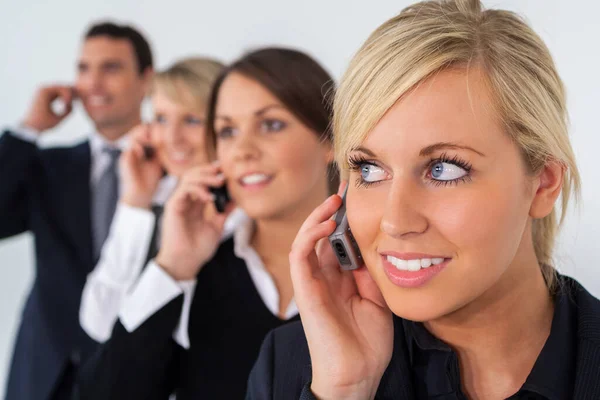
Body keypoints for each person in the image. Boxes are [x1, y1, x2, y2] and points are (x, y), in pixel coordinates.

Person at [247, 1, 600, 399]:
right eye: (369, 169)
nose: (395, 221)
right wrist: (345, 389)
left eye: (444, 169)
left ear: (543, 185)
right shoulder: (295, 367)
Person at [75, 47, 337, 399]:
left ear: (331, 139)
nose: (243, 149)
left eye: (271, 124)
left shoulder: (378, 266)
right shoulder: (192, 273)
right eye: (227, 132)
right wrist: (173, 265)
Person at [0, 22, 153, 400]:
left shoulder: (172, 165)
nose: (93, 83)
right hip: (47, 370)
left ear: (147, 80)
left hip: (141, 368)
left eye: (111, 68)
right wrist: (30, 128)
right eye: (84, 69)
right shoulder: (48, 166)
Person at [78, 56, 238, 344]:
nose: (173, 138)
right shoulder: (154, 200)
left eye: (191, 120)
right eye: (162, 119)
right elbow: (99, 321)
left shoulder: (246, 212)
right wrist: (134, 201)